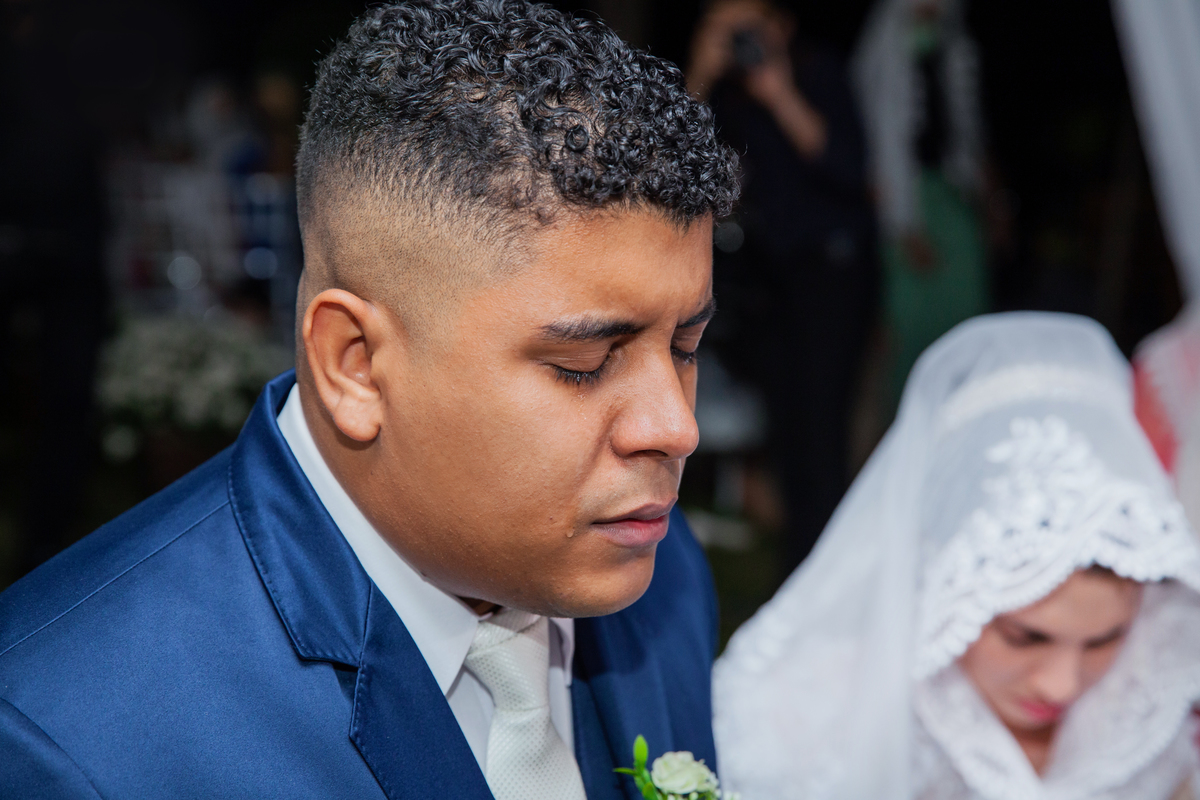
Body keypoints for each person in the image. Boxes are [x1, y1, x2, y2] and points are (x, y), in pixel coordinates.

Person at [0, 2, 738, 798]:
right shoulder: (66, 735)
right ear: (354, 365)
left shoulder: (660, 571)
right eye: (584, 363)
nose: (676, 427)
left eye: (685, 347)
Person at [713, 312, 1200, 799]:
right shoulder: (798, 714)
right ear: (948, 584)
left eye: (1104, 640)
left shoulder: (1147, 720)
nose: (1061, 686)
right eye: (1023, 636)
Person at [687, 0, 878, 571]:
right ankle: (798, 569)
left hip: (834, 274)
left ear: (784, 24)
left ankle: (821, 573)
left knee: (820, 436)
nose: (746, 41)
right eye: (731, 28)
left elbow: (850, 168)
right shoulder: (726, 88)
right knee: (784, 431)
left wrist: (781, 94)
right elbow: (673, 156)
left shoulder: (820, 72)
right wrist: (701, 65)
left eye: (754, 26)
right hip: (769, 281)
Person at [854, 0, 991, 406]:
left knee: (965, 314)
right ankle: (908, 426)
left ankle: (966, 411)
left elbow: (966, 129)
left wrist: (987, 198)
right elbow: (879, 140)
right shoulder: (884, 42)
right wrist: (902, 225)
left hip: (952, 198)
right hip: (903, 203)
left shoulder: (955, 44)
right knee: (909, 326)